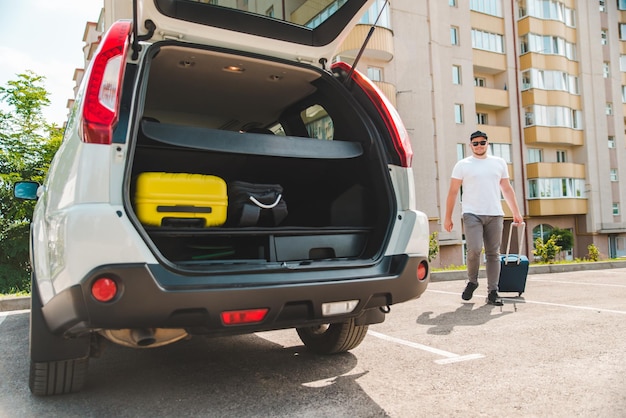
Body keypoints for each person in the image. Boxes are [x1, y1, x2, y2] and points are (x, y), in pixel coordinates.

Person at [444, 130, 524, 306]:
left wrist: (516, 212)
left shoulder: (499, 163)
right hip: (472, 213)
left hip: (495, 214)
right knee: (474, 249)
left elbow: (507, 189)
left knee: (493, 254)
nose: (479, 146)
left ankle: (493, 292)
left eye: (482, 142)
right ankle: (472, 281)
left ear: (487, 144)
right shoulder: (463, 165)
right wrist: (448, 217)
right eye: (475, 143)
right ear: (470, 145)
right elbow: (453, 192)